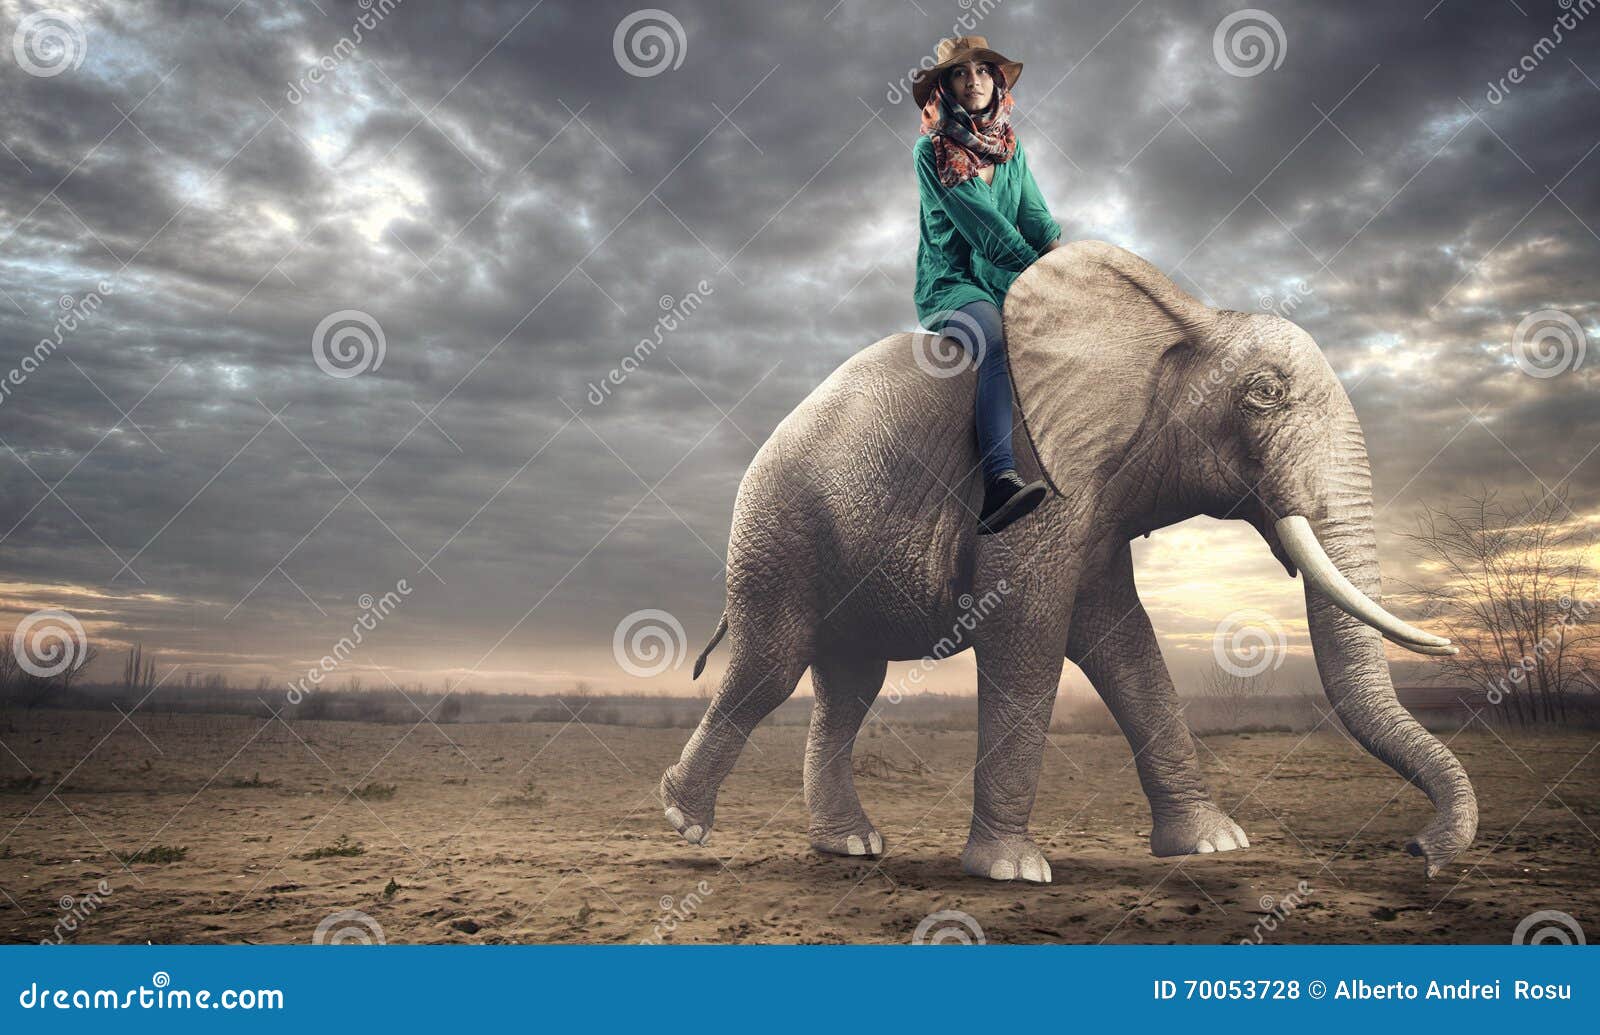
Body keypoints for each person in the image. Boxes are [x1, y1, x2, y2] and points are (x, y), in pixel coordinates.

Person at [911, 35, 1063, 536]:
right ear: (945, 87)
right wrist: (1042, 280)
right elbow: (990, 233)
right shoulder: (932, 151)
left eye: (981, 70)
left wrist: (1073, 272)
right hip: (955, 287)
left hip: (1008, 284)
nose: (972, 80)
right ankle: (999, 481)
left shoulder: (1011, 148)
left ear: (995, 81)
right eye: (960, 72)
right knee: (995, 341)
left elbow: (1035, 219)